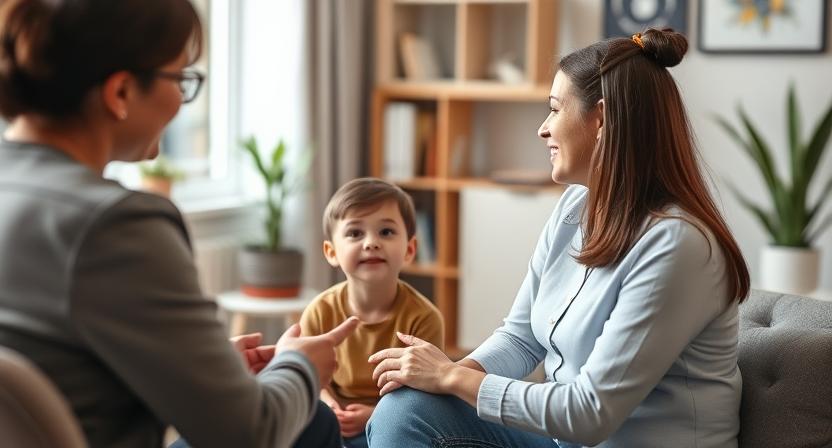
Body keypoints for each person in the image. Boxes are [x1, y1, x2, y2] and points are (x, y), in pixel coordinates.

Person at [366, 28, 751, 448]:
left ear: (600, 119)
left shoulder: (678, 245)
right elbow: (521, 338)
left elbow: (590, 414)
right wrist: (441, 378)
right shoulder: (575, 207)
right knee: (406, 409)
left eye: (554, 109)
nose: (543, 130)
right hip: (562, 440)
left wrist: (449, 375)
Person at [0, 1, 357, 447]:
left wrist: (200, 369)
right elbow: (251, 433)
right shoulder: (117, 225)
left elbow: (62, 373)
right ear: (121, 93)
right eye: (182, 79)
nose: (183, 101)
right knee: (311, 418)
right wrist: (300, 366)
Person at [300, 177, 445, 448]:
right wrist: (328, 404)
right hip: (332, 420)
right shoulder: (319, 311)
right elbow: (309, 377)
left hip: (394, 420)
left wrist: (375, 414)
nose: (371, 243)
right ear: (331, 252)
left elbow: (424, 392)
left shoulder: (424, 318)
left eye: (386, 232)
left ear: (410, 250)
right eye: (355, 233)